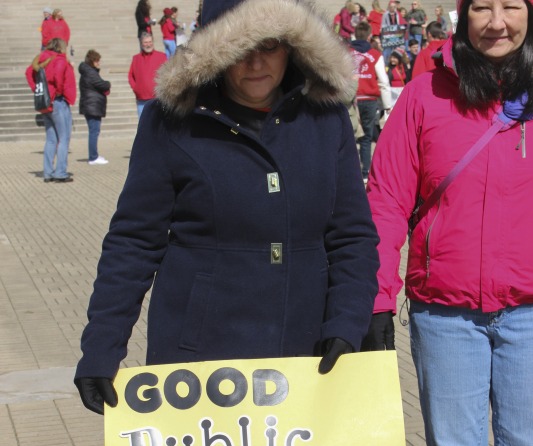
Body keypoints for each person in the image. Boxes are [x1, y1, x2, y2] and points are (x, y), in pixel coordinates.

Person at [74, 0, 380, 417]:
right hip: (202, 359)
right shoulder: (174, 121)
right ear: (216, 50)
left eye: (269, 44)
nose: (255, 62)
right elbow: (134, 240)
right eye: (239, 47)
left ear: (291, 46)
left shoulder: (324, 118)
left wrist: (347, 322)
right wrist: (102, 346)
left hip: (307, 351)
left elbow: (352, 235)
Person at [367, 0, 533, 446]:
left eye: (510, 7)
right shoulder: (423, 94)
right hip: (445, 313)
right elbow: (384, 198)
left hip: (526, 311)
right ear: (462, 16)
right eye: (483, 7)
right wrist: (377, 300)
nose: (496, 22)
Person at [25, 38, 76, 182]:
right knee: (63, 138)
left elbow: (28, 73)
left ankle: (48, 172)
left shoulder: (41, 58)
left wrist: (37, 90)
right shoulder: (59, 60)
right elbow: (58, 78)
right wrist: (58, 92)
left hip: (45, 103)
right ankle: (60, 172)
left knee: (51, 139)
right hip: (57, 101)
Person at [351, 20, 392, 181]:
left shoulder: (346, 52)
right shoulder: (375, 54)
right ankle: (365, 172)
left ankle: (351, 170)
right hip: (369, 99)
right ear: (369, 36)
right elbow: (383, 81)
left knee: (350, 136)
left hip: (351, 98)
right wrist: (387, 105)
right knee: (367, 136)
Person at [79, 49, 111, 165]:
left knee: (94, 131)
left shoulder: (88, 71)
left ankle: (94, 155)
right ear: (92, 61)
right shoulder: (90, 72)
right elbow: (102, 84)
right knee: (94, 131)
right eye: (97, 61)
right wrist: (108, 84)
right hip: (92, 105)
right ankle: (93, 157)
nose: (98, 63)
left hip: (91, 105)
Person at [128, 31, 166, 117]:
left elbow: (167, 74)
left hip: (157, 99)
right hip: (141, 100)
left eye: (150, 42)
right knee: (143, 127)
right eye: (145, 42)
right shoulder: (136, 58)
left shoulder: (162, 56)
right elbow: (130, 75)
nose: (148, 44)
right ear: (141, 44)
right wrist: (136, 88)